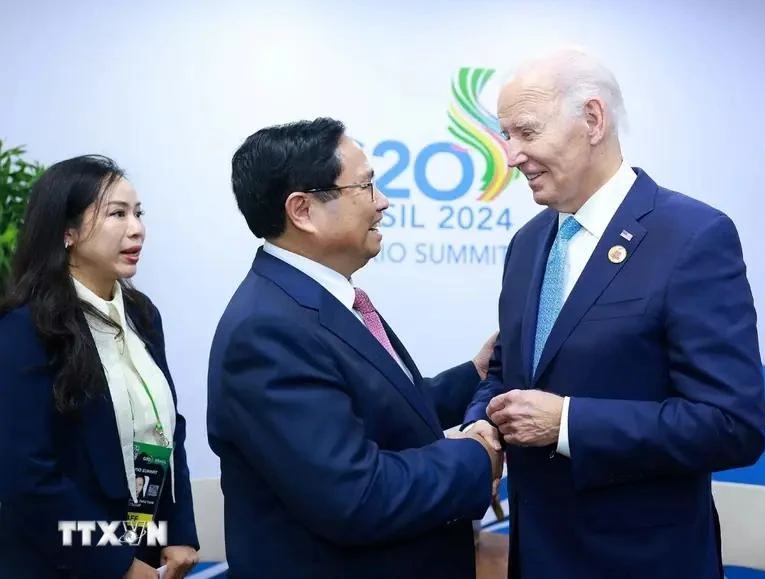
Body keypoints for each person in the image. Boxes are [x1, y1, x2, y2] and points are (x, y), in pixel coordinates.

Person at [462, 48, 765, 579]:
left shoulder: (692, 236)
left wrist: (569, 423)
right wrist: (479, 428)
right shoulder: (527, 244)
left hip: (641, 561)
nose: (510, 156)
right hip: (535, 554)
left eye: (526, 133)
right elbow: (511, 374)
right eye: (505, 136)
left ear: (593, 120)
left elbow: (731, 424)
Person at [207, 118, 503, 579]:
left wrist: (474, 375)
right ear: (302, 210)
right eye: (365, 187)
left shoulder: (314, 300)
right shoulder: (267, 331)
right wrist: (475, 457)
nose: (383, 202)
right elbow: (355, 495)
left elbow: (376, 408)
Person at [0, 155, 200, 579]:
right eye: (117, 214)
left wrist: (179, 530)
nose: (137, 229)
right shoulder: (25, 328)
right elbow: (27, 474)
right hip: (62, 562)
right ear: (67, 232)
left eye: (138, 213)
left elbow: (165, 427)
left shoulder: (142, 315)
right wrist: (117, 563)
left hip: (142, 549)